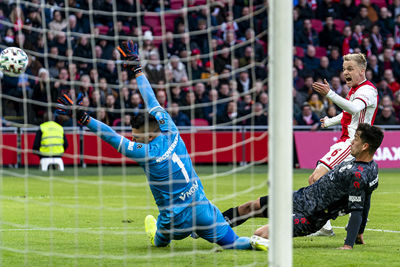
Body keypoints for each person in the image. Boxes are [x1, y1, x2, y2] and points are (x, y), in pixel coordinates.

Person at [57, 41, 265, 251]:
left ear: (148, 136)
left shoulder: (146, 154)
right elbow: (150, 98)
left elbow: (111, 136)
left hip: (174, 220)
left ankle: (157, 232)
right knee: (234, 243)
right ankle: (259, 242)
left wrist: (84, 118)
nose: (133, 139)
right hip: (201, 208)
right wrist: (137, 69)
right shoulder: (169, 126)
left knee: (159, 241)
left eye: (136, 137)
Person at [222, 123, 384, 250]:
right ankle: (210, 227)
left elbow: (360, 208)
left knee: (260, 235)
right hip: (299, 197)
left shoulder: (359, 175)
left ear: (365, 146)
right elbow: (367, 199)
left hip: (311, 216)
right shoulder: (363, 165)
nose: (352, 141)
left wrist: (349, 243)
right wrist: (360, 232)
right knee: (250, 206)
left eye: (355, 138)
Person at [309, 52, 378, 236]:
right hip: (348, 141)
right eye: (344, 69)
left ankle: (329, 223)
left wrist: (330, 93)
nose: (345, 73)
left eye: (350, 69)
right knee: (323, 181)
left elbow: (354, 108)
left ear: (362, 71)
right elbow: (349, 113)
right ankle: (336, 220)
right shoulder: (355, 90)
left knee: (316, 179)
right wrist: (330, 121)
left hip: (352, 143)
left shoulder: (367, 91)